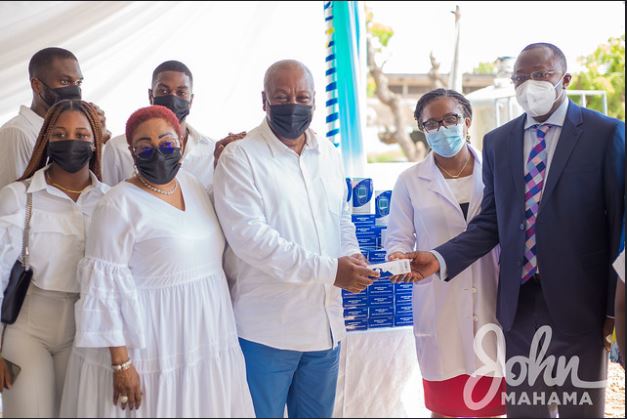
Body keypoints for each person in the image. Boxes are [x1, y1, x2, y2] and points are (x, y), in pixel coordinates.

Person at [404, 43, 625, 417]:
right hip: (518, 306)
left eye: (540, 75)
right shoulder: (499, 141)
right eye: (519, 78)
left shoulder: (605, 134)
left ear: (565, 79)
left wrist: (613, 309)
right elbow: (492, 220)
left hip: (582, 306)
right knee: (527, 410)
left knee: (580, 410)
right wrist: (440, 258)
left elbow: (619, 225)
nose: (529, 84)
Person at [60, 105, 254, 418]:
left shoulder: (193, 185)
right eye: (145, 146)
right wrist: (121, 363)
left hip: (205, 336)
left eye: (166, 143)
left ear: (180, 141)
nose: (158, 152)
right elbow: (102, 289)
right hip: (152, 347)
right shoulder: (117, 205)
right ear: (132, 152)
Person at [213, 59, 378, 418]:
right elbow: (252, 239)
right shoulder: (240, 157)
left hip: (325, 328)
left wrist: (352, 257)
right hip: (267, 332)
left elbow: (341, 218)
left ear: (315, 100)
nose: (293, 105)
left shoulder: (328, 153)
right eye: (282, 96)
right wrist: (332, 270)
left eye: (302, 97)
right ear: (264, 100)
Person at [385, 89, 505, 418]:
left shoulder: (496, 171)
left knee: (494, 407)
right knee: (445, 408)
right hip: (440, 304)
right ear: (422, 130)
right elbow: (397, 237)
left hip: (493, 298)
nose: (442, 129)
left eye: (450, 119)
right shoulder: (410, 181)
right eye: (431, 124)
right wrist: (398, 257)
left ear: (467, 121)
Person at [0, 99, 108, 417]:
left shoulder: (111, 200)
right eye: (59, 134)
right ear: (46, 139)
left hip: (84, 330)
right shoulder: (18, 197)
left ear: (96, 141)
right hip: (27, 326)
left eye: (81, 134)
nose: (71, 141)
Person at [101, 60, 245, 191]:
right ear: (151, 95)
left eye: (181, 92)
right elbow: (108, 197)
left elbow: (215, 202)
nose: (172, 98)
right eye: (163, 91)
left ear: (191, 100)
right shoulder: (118, 148)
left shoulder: (210, 150)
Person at [0, 47, 110, 189]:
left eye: (78, 83)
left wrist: (99, 138)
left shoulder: (78, 128)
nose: (74, 90)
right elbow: (11, 193)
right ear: (37, 85)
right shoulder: (17, 132)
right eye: (64, 82)